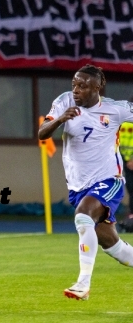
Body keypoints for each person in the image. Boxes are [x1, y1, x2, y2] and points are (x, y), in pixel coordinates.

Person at [38, 64, 133, 300]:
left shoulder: (115, 109)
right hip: (78, 186)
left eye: (83, 85)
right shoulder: (64, 101)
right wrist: (59, 120)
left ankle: (83, 284)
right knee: (114, 246)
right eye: (74, 84)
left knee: (83, 216)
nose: (76, 90)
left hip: (109, 180)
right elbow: (42, 133)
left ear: (98, 87)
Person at [118, 117, 133, 224]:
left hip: (127, 162)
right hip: (128, 163)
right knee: (131, 190)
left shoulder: (122, 124)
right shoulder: (122, 124)